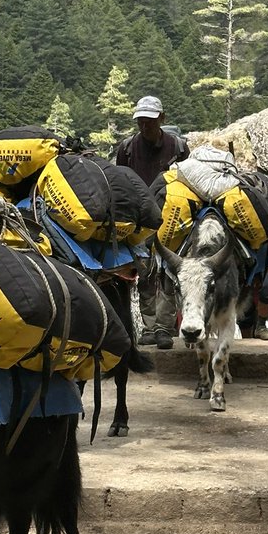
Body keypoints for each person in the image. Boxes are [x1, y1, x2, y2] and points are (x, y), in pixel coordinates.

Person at [116, 95, 189, 348]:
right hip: (140, 221)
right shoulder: (126, 149)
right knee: (146, 274)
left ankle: (164, 327)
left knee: (169, 272)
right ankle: (149, 327)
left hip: (173, 218)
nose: (144, 126)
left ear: (162, 118)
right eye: (141, 121)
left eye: (149, 120)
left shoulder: (178, 148)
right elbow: (121, 184)